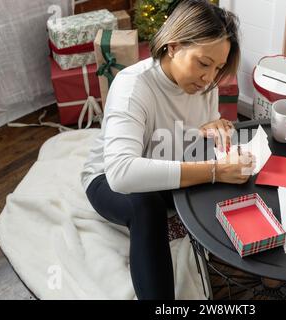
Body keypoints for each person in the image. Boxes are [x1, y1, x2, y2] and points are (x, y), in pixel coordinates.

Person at [80, 0, 255, 300]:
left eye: (217, 68)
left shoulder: (203, 86)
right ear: (173, 46)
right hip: (107, 180)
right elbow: (121, 174)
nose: (209, 78)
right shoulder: (133, 86)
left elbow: (186, 130)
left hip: (166, 161)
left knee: (234, 169)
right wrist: (213, 171)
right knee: (146, 207)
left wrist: (209, 129)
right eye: (203, 63)